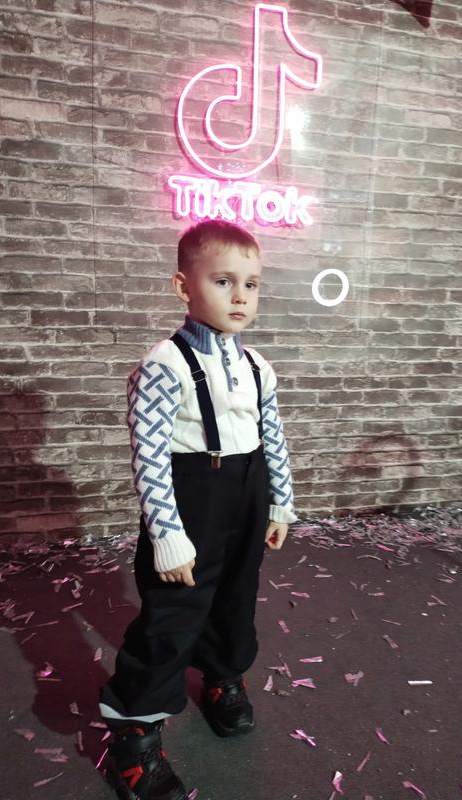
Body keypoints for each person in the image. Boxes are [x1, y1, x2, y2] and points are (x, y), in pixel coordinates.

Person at [99, 219, 298, 800]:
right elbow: (149, 453)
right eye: (223, 281)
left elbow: (273, 437)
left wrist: (280, 501)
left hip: (248, 489)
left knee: (236, 597)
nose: (240, 296)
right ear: (183, 286)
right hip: (193, 495)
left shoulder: (257, 366)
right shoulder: (164, 363)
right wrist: (166, 532)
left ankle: (222, 677)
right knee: (173, 613)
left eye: (251, 284)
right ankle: (134, 737)